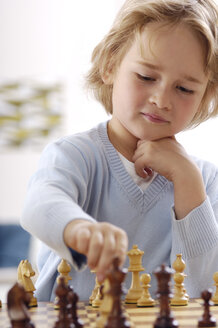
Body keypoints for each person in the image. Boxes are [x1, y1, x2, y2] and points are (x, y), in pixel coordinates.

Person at [21, 0, 218, 302]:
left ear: (206, 96)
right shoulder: (75, 155)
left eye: (185, 89)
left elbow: (205, 286)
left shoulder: (204, 179)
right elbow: (38, 206)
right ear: (110, 66)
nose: (161, 100)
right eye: (147, 77)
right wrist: (81, 230)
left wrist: (188, 182)